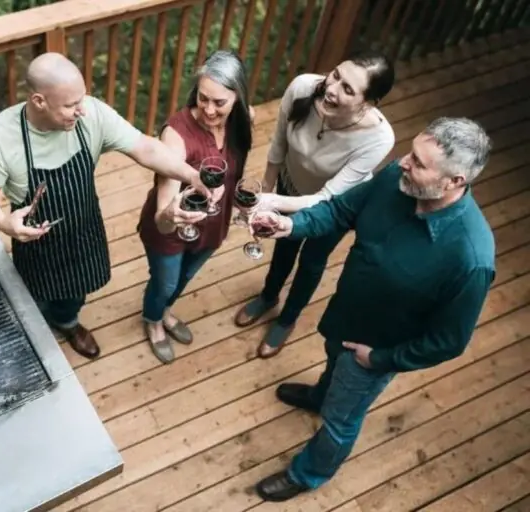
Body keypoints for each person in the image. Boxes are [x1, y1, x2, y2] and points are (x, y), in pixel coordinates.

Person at [252, 117, 494, 502]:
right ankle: (319, 396)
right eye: (410, 153)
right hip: (343, 316)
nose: (403, 163)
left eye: (418, 162)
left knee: (340, 421)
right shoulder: (395, 181)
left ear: (454, 182)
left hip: (373, 353)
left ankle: (309, 472)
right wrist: (288, 225)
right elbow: (339, 211)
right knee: (333, 371)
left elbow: (449, 341)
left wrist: (380, 358)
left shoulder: (470, 257)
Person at [0, 52, 207, 360]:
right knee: (32, 298)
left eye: (82, 99)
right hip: (34, 239)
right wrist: (3, 222)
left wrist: (191, 175)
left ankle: (67, 322)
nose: (81, 110)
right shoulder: (1, 135)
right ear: (39, 101)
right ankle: (35, 333)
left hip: (83, 226)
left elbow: (145, 147)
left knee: (76, 293)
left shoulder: (90, 113)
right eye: (70, 105)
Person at [233, 52, 396, 359]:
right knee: (283, 245)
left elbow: (326, 198)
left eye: (348, 89)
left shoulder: (379, 139)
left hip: (334, 207)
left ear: (370, 103)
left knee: (311, 260)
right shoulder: (303, 88)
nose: (332, 88)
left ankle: (287, 319)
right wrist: (266, 189)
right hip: (289, 184)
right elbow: (279, 143)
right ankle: (269, 296)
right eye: (335, 75)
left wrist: (271, 201)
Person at [137, 50, 254, 363]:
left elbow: (235, 175)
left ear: (237, 99)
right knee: (167, 282)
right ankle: (153, 319)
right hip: (173, 227)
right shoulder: (175, 135)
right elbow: (164, 214)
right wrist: (169, 214)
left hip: (214, 223)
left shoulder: (243, 122)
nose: (209, 110)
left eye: (220, 102)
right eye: (203, 98)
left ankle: (166, 312)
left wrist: (242, 208)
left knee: (185, 278)